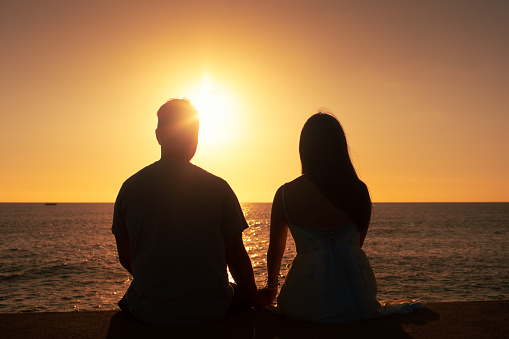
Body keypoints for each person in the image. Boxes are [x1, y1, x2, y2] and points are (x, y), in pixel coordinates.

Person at [112, 99, 267, 326]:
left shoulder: (130, 188)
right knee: (236, 293)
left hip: (147, 310)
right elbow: (235, 254)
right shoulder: (219, 188)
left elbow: (126, 257)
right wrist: (256, 297)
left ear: (159, 135)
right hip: (211, 309)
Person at [262, 112, 423, 322]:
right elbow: (357, 245)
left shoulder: (285, 194)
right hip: (357, 300)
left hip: (305, 302)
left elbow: (275, 250)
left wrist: (271, 287)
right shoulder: (359, 190)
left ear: (305, 149)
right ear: (340, 148)